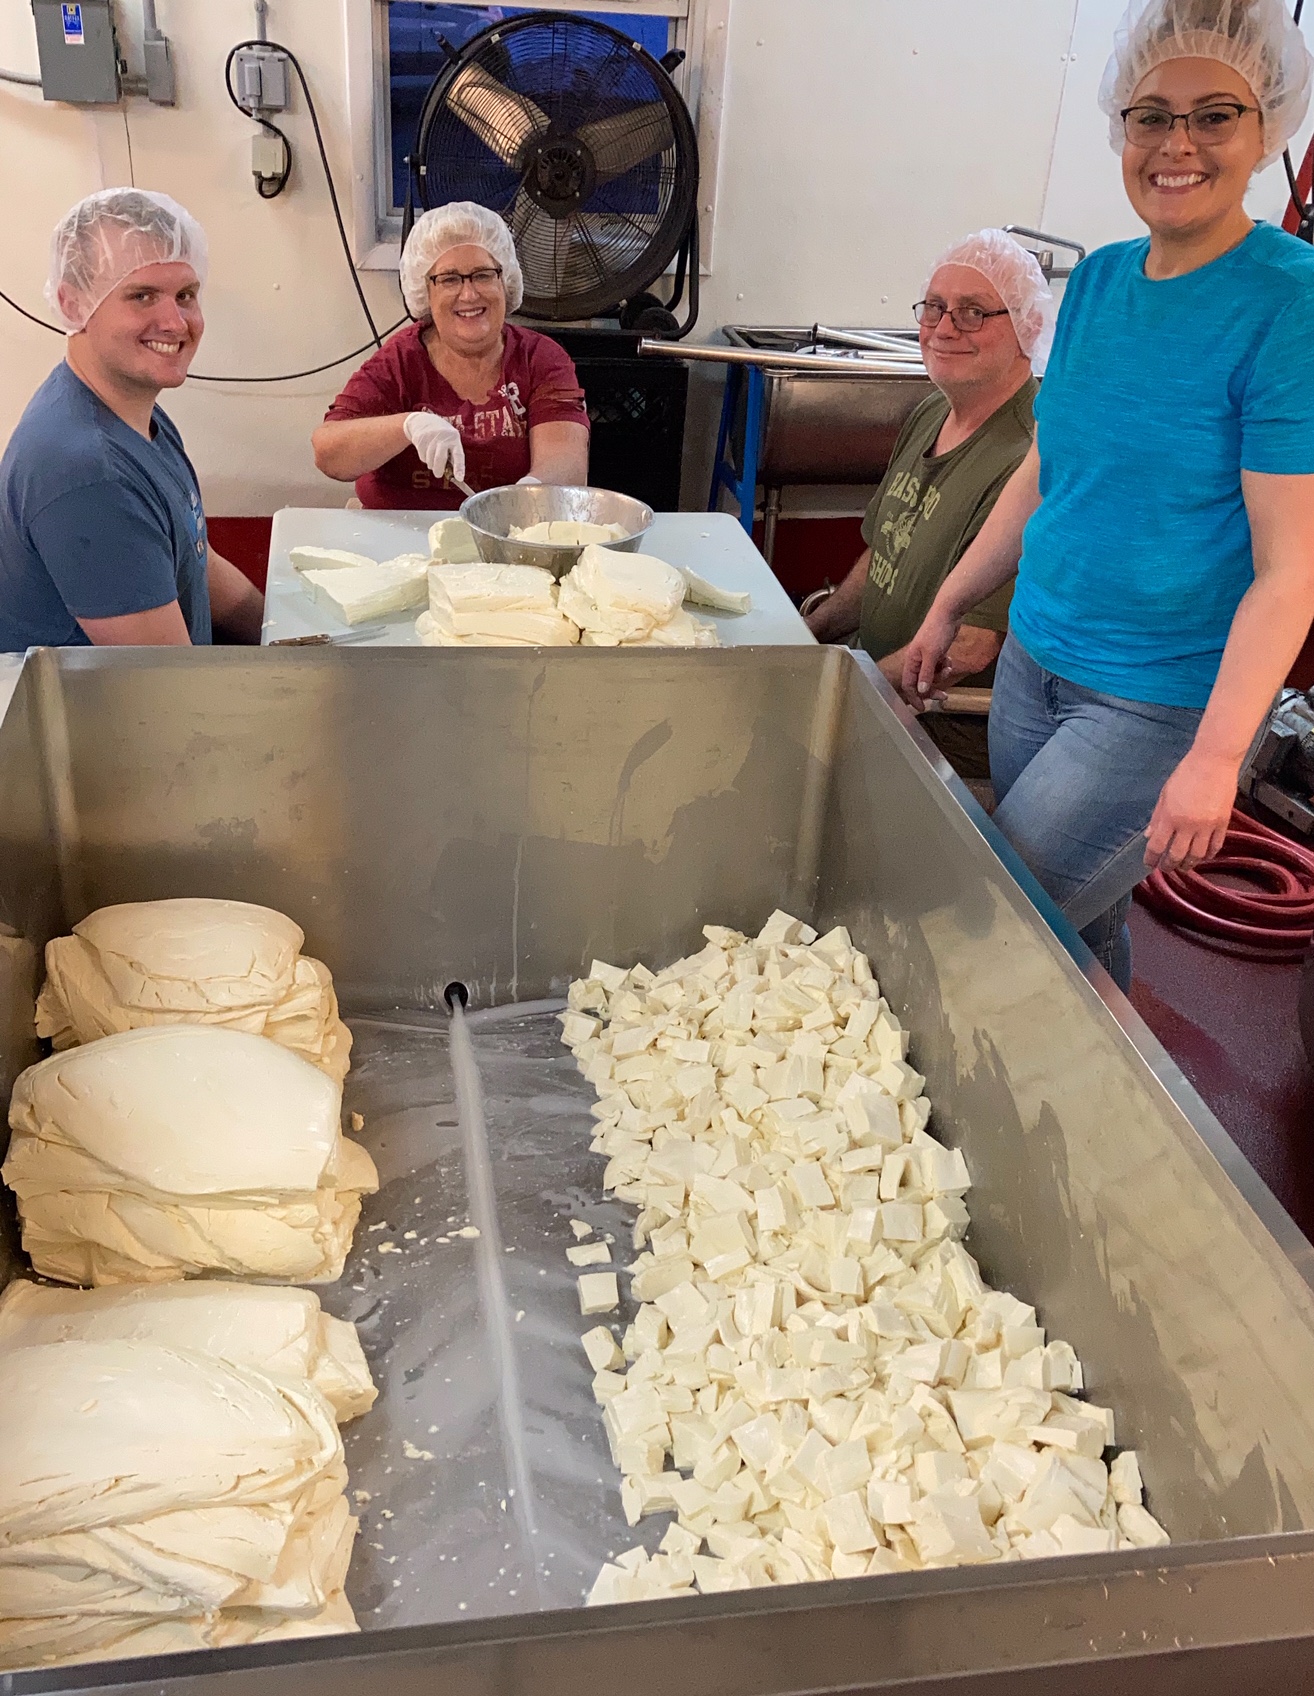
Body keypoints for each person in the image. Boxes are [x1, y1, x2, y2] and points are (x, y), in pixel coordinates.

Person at [902, 0, 1314, 992]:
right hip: (1036, 665)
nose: (1177, 144)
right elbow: (1048, 471)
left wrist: (1218, 758)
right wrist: (948, 603)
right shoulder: (1098, 281)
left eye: (1214, 114)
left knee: (986, 937)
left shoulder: (1289, 301)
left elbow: (1290, 568)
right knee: (1079, 934)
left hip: (1158, 702)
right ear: (1120, 129)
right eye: (1149, 115)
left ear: (1268, 130)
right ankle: (1078, 1127)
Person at [807, 230, 1055, 780]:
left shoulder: (1030, 455)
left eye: (972, 313)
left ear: (1028, 328)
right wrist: (810, 638)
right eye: (936, 308)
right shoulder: (930, 414)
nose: (944, 329)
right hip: (869, 681)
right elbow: (882, 558)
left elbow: (968, 648)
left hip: (936, 725)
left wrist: (836, 693)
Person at [0, 189, 264, 651]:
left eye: (185, 295)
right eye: (142, 296)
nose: (175, 322)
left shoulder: (138, 417)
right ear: (72, 305)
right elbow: (162, 687)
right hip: (106, 719)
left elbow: (198, 563)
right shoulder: (87, 471)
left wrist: (294, 642)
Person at [313, 202, 590, 508]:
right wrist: (407, 426)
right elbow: (329, 453)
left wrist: (527, 498)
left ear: (505, 281)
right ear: (426, 293)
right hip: (400, 536)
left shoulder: (540, 359)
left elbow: (567, 467)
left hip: (507, 531)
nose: (469, 294)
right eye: (449, 279)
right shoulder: (401, 361)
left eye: (483, 275)